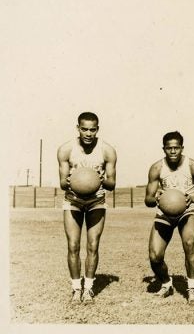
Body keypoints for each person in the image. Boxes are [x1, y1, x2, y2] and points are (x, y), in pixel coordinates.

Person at [144, 131, 194, 305]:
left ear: (182, 148)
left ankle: (192, 288)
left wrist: (193, 198)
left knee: (189, 244)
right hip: (165, 212)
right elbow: (148, 200)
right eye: (169, 148)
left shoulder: (193, 166)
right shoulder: (157, 168)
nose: (173, 151)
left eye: (176, 148)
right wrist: (157, 197)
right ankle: (167, 284)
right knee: (154, 256)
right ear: (164, 149)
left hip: (187, 210)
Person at [57, 112, 117, 304]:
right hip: (73, 200)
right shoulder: (66, 150)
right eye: (84, 129)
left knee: (93, 245)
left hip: (96, 201)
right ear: (78, 128)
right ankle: (76, 289)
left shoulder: (107, 151)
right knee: (73, 245)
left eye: (92, 129)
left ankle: (88, 288)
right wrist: (72, 181)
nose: (88, 133)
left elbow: (112, 184)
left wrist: (101, 180)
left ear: (97, 129)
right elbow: (62, 184)